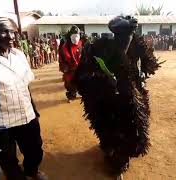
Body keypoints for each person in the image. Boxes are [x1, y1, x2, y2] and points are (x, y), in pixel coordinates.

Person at [74, 15, 163, 180]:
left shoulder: (137, 44)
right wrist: (101, 77)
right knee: (111, 128)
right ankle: (117, 161)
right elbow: (83, 73)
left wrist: (142, 73)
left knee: (134, 129)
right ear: (116, 35)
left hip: (132, 94)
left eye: (129, 37)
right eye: (123, 38)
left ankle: (124, 153)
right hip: (107, 97)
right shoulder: (100, 47)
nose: (127, 41)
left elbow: (148, 62)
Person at [0, 17, 48, 180]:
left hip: (27, 114)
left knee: (35, 149)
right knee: (7, 159)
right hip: (3, 122)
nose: (11, 36)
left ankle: (31, 171)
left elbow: (26, 85)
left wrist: (33, 109)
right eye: (4, 32)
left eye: (12, 32)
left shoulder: (19, 55)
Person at [58, 25, 84, 101]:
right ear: (70, 36)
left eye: (77, 36)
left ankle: (81, 92)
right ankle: (72, 94)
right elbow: (62, 58)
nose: (75, 38)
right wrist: (65, 67)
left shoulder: (81, 44)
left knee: (82, 80)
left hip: (80, 67)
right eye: (73, 36)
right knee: (69, 81)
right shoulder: (65, 47)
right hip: (70, 68)